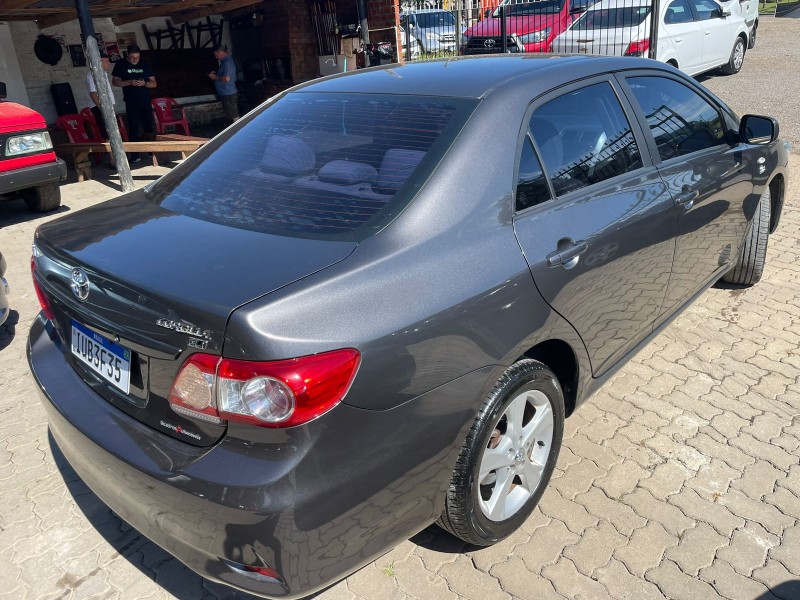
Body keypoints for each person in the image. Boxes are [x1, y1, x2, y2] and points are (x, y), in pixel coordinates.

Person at [112, 44, 157, 163]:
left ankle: (151, 151)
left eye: (137, 57)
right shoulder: (121, 64)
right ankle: (135, 154)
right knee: (133, 127)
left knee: (148, 126)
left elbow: (154, 83)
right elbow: (115, 82)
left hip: (145, 100)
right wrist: (129, 82)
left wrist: (144, 84)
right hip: (131, 101)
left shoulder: (144, 64)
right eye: (133, 57)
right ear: (127, 55)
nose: (135, 59)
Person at [85, 51, 114, 139]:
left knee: (112, 131)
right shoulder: (93, 75)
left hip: (107, 106)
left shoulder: (103, 74)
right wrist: (103, 109)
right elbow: (93, 94)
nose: (109, 63)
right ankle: (110, 152)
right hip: (99, 107)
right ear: (99, 62)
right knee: (106, 133)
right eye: (106, 61)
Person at [208, 44, 239, 122]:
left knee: (234, 115)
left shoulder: (227, 62)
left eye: (216, 54)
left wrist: (216, 77)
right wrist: (216, 73)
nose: (216, 57)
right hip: (227, 93)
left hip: (228, 93)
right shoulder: (225, 62)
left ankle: (239, 131)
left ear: (221, 52)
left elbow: (227, 78)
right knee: (232, 114)